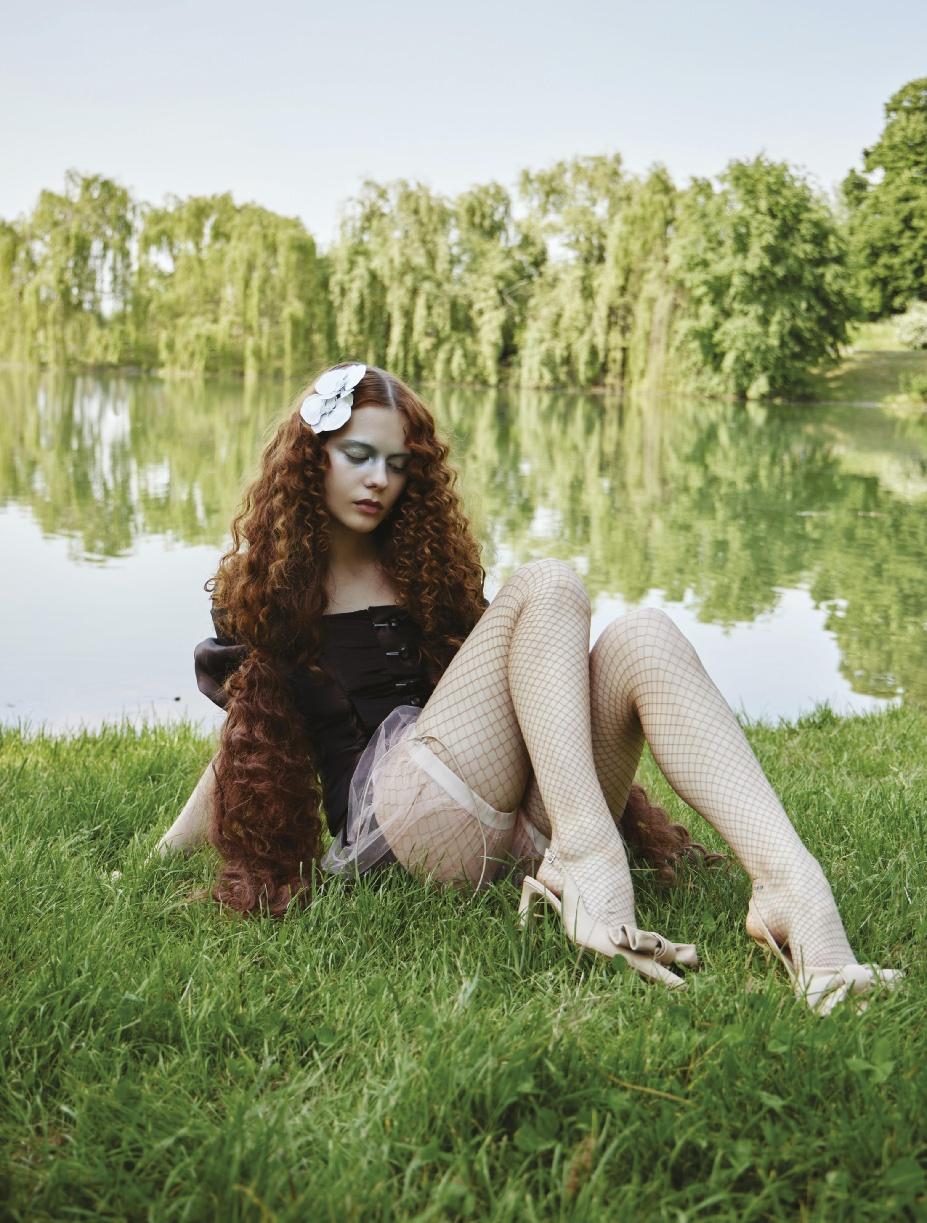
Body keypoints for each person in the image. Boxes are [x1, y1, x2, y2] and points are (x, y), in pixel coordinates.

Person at [157, 362, 902, 1012]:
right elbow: (248, 734)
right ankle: (587, 851)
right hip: (399, 831)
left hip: (505, 819)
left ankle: (791, 890)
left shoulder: (422, 568)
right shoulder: (272, 587)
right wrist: (166, 850)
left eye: (397, 463)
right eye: (358, 455)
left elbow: (522, 692)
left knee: (643, 634)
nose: (379, 478)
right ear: (310, 457)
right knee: (547, 581)